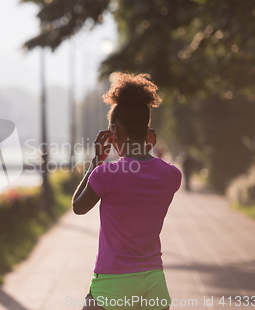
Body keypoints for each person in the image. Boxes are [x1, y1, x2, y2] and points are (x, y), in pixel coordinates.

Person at [72, 73, 182, 310]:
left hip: (113, 283)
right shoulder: (172, 175)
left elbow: (78, 207)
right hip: (154, 283)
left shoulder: (105, 174)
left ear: (114, 132)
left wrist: (95, 161)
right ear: (147, 130)